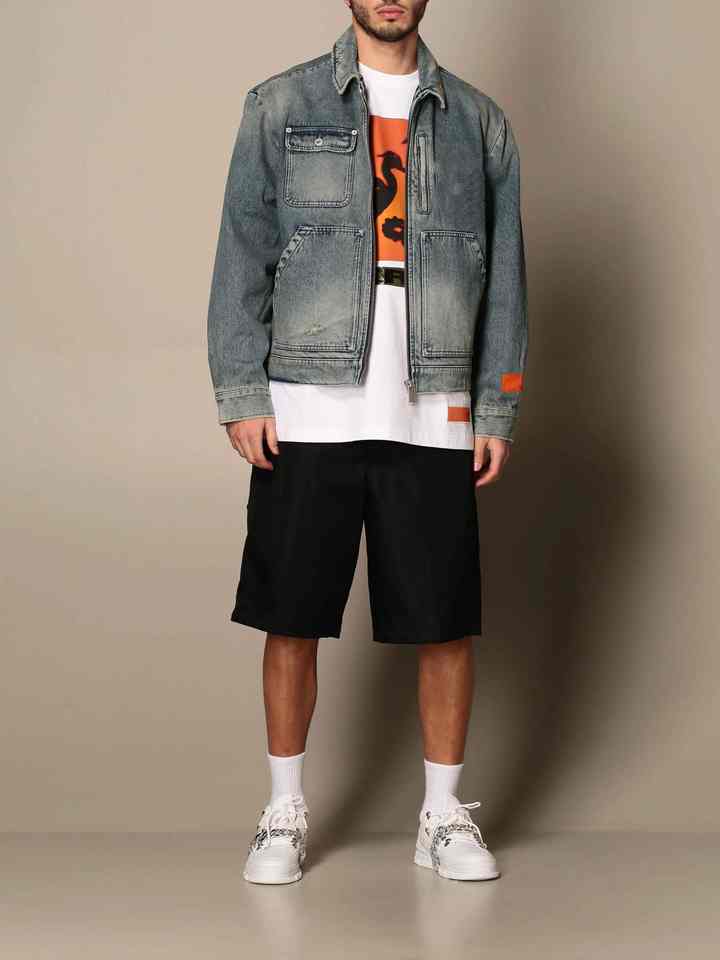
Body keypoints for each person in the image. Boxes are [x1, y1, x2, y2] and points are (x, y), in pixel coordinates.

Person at [206, 0, 528, 885]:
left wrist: (497, 405)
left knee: (444, 623)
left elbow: (506, 279)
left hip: (436, 404)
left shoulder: (480, 122)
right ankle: (282, 813)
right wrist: (242, 391)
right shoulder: (279, 104)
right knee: (291, 617)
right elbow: (241, 253)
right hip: (308, 404)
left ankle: (441, 817)